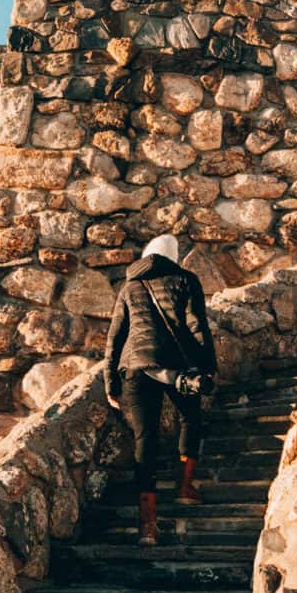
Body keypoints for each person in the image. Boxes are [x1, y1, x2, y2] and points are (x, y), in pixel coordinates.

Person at [105, 233, 217, 545]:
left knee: (145, 439)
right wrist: (207, 368)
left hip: (135, 368)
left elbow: (114, 338)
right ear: (174, 256)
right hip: (175, 366)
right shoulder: (185, 279)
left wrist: (110, 383)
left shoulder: (129, 286)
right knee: (191, 419)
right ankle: (185, 487)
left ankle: (147, 525)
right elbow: (197, 326)